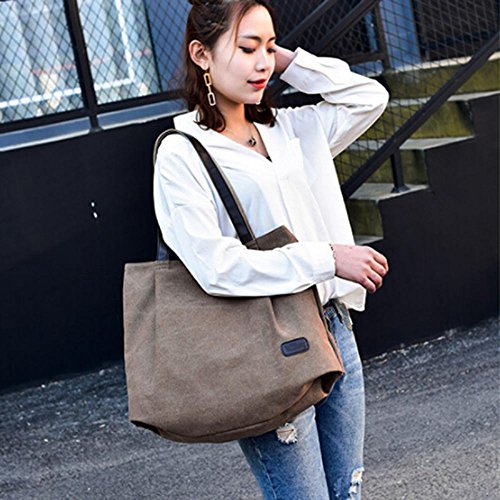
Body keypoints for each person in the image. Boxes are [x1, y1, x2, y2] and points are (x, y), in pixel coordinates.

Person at [153, 0, 390, 498]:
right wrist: (327, 258)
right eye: (247, 48)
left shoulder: (289, 129)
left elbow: (368, 97)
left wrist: (289, 62)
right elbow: (216, 266)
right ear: (201, 54)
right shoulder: (182, 152)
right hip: (263, 340)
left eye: (269, 47)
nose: (262, 63)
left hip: (332, 328)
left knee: (347, 492)